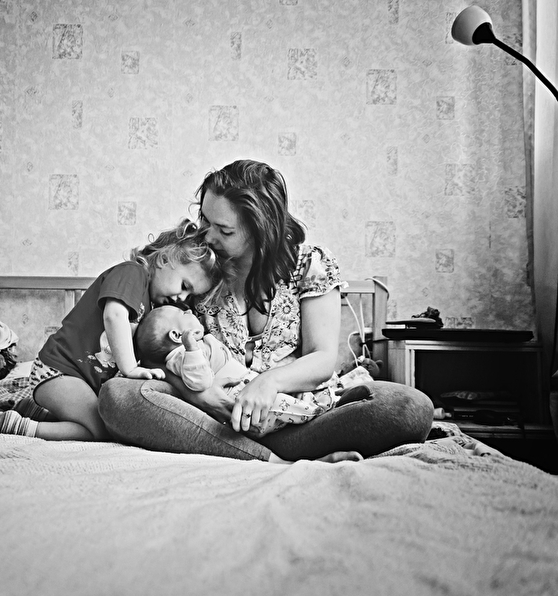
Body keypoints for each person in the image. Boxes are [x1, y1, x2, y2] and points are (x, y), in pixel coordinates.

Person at [98, 159, 434, 463]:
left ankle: (251, 451)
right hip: (217, 416)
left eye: (224, 230)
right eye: (205, 220)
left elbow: (321, 358)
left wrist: (268, 383)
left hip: (299, 416)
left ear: (260, 229)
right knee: (119, 395)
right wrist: (203, 398)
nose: (208, 236)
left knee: (408, 408)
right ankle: (273, 457)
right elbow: (160, 353)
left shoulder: (309, 264)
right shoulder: (200, 271)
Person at [0, 219, 225, 442]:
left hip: (79, 381)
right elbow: (114, 316)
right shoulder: (132, 273)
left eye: (190, 295)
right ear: (164, 259)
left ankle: (36, 412)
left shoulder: (153, 311)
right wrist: (130, 369)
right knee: (101, 430)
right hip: (60, 370)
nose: (182, 298)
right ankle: (19, 427)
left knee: (107, 421)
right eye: (184, 285)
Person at [135, 305, 338, 437]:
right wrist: (191, 348)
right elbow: (199, 381)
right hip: (237, 398)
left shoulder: (192, 348)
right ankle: (317, 412)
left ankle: (321, 406)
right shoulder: (182, 355)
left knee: (286, 401)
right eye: (182, 314)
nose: (188, 310)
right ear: (176, 335)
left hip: (251, 386)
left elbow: (323, 357)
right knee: (282, 406)